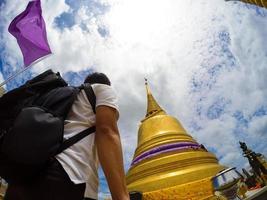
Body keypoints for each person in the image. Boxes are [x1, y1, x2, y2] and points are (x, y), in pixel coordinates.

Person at [4, 72, 129, 200]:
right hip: (67, 176)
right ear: (106, 84)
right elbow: (107, 131)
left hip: (24, 178)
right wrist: (122, 196)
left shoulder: (61, 96)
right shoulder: (103, 89)